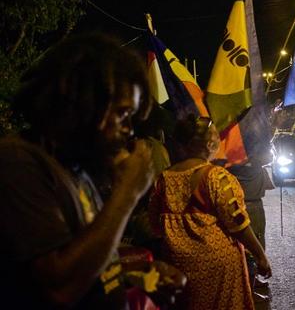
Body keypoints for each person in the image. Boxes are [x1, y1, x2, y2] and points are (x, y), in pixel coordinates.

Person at [0, 34, 184, 309]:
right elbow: (59, 288)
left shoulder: (74, 169)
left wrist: (132, 275)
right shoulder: (18, 162)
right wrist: (127, 193)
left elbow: (87, 254)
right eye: (123, 114)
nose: (129, 130)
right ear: (85, 103)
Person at [149, 115, 272, 310]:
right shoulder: (216, 177)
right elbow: (238, 223)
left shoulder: (164, 179)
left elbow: (155, 225)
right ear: (210, 144)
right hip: (217, 269)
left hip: (177, 265)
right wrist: (260, 256)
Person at [228, 158, 274, 300]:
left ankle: (251, 282)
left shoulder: (230, 163)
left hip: (239, 205)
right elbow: (268, 156)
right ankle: (249, 289)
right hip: (250, 205)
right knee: (253, 245)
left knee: (245, 245)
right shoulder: (247, 163)